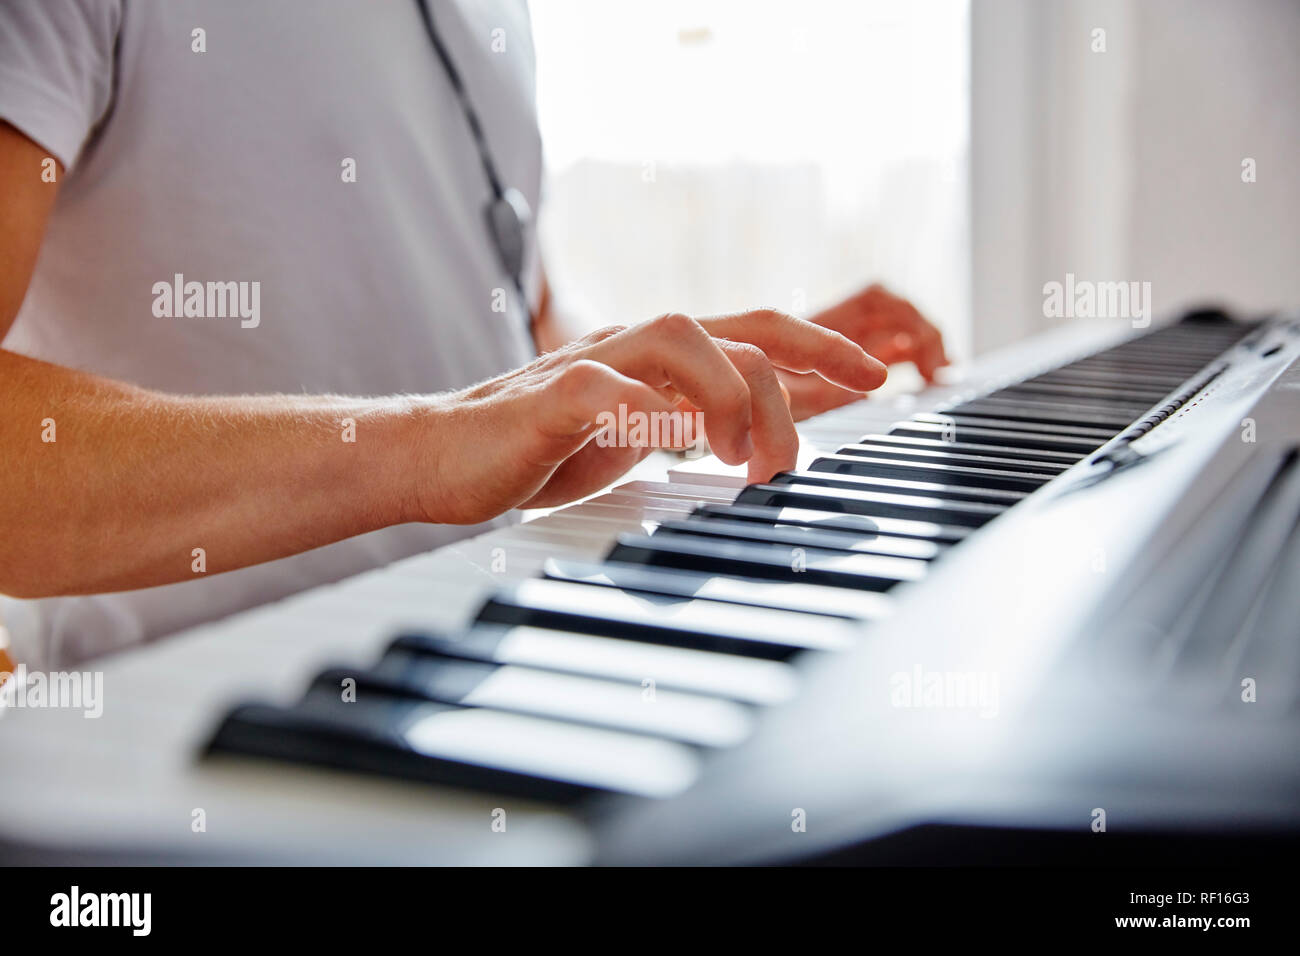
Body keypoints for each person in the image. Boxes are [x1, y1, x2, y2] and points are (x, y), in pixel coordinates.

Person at [0, 0, 947, 669]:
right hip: (174, 726)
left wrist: (690, 391)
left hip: (459, 664)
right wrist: (425, 447)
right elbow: (457, 425)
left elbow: (504, 361)